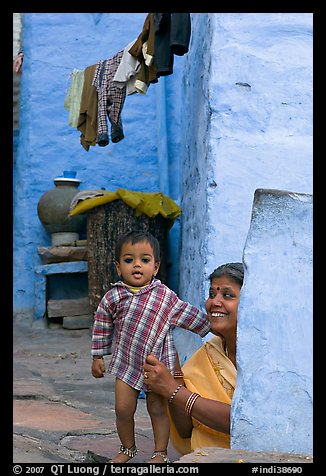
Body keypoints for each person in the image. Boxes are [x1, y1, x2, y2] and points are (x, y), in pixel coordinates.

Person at [91, 230, 211, 463]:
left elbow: (187, 313)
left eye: (144, 260)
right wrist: (98, 356)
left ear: (155, 268)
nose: (137, 265)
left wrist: (214, 326)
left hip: (156, 366)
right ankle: (128, 449)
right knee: (123, 409)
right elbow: (102, 324)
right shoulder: (113, 297)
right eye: (129, 260)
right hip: (126, 363)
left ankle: (160, 453)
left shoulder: (164, 296)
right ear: (118, 267)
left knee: (157, 409)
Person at [143, 262, 244, 455]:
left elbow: (243, 422)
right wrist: (174, 373)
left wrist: (173, 389)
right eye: (212, 294)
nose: (214, 302)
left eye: (228, 295)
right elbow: (184, 429)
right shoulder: (208, 354)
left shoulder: (265, 363)